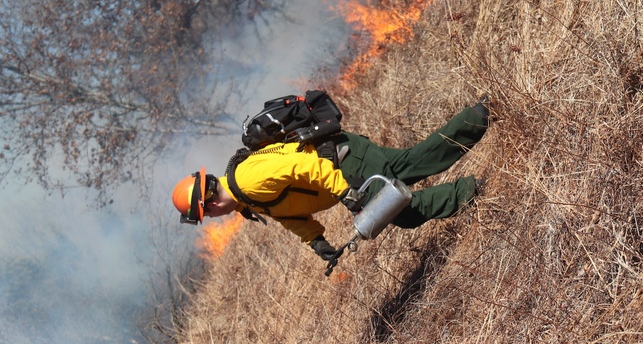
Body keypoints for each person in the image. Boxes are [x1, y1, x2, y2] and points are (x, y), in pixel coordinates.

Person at [171, 98, 491, 265]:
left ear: (209, 203)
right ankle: (480, 116)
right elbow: (291, 216)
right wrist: (316, 241)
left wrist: (347, 195)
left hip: (344, 162)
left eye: (205, 215)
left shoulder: (248, 180)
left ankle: (472, 193)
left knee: (399, 211)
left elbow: (305, 166)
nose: (211, 219)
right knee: (412, 164)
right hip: (344, 158)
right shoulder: (246, 198)